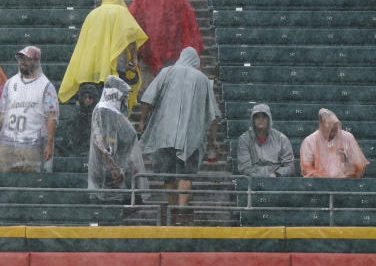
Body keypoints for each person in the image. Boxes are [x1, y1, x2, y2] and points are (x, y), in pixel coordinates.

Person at [138, 47, 220, 214]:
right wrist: (213, 140)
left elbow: (147, 98)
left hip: (164, 135)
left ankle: (172, 208)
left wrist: (142, 121)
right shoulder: (202, 79)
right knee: (185, 174)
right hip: (190, 137)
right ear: (196, 61)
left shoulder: (167, 72)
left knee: (167, 175)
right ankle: (182, 209)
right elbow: (213, 115)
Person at [58, 0, 147, 113]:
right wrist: (133, 58)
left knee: (95, 106)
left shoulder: (92, 15)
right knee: (114, 108)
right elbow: (131, 35)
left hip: (92, 69)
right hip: (116, 68)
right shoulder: (121, 12)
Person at [0, 46, 59, 173]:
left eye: (27, 59)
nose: (23, 62)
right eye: (21, 58)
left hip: (32, 145)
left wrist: (49, 144)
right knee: (4, 183)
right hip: (7, 144)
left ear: (36, 62)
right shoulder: (10, 83)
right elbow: (1, 113)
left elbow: (51, 118)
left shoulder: (46, 86)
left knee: (29, 184)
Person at [129, 0, 204, 77]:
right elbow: (192, 27)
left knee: (149, 89)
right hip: (173, 55)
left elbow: (130, 22)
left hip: (148, 53)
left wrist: (134, 52)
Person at [88, 75, 144, 196]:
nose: (125, 101)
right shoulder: (103, 111)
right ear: (115, 95)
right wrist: (113, 167)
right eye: (123, 98)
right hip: (107, 172)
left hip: (116, 171)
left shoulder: (112, 113)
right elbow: (99, 142)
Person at [300, 108, 369, 179]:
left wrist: (347, 162)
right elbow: (306, 168)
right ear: (321, 126)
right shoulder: (309, 141)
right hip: (319, 183)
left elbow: (359, 165)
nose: (332, 132)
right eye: (329, 129)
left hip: (345, 182)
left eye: (334, 129)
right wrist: (317, 175)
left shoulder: (348, 137)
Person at [236, 103, 295, 178]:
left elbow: (290, 166)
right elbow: (244, 167)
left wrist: (276, 174)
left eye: (264, 116)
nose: (260, 119)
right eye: (257, 117)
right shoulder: (244, 139)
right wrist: (263, 175)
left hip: (276, 180)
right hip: (252, 180)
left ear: (269, 119)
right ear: (252, 120)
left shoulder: (281, 138)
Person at [67, 82, 101, 155]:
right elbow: (73, 138)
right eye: (85, 97)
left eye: (90, 97)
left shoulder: (99, 117)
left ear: (94, 99)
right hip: (79, 152)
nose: (87, 100)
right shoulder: (77, 117)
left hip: (95, 152)